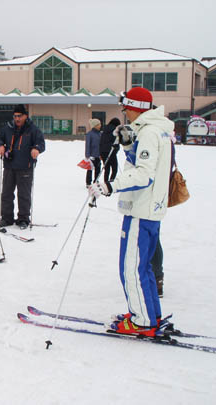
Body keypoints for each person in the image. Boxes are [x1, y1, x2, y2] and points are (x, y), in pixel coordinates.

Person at [88, 87, 173, 337]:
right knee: (143, 266)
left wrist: (110, 185)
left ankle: (143, 321)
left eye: (126, 108)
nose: (124, 112)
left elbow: (144, 174)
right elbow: (143, 163)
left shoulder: (149, 132)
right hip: (148, 208)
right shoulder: (156, 129)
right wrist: (127, 146)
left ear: (136, 106)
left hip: (142, 209)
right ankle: (149, 313)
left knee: (132, 267)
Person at [0, 104, 45, 229]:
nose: (17, 119)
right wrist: (0, 145)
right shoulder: (8, 128)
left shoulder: (33, 129)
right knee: (6, 193)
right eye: (15, 116)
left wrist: (36, 149)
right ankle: (6, 218)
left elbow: (41, 143)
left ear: (25, 116)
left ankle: (23, 218)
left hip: (25, 166)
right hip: (9, 166)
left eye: (20, 116)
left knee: (24, 194)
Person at [99, 117, 121, 183]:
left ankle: (106, 181)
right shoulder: (115, 131)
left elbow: (101, 141)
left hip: (103, 151)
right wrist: (116, 149)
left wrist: (100, 152)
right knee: (114, 168)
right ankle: (111, 181)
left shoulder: (104, 130)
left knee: (107, 168)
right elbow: (116, 141)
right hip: (111, 151)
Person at [85, 118, 101, 187]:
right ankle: (88, 182)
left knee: (98, 169)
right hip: (91, 155)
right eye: (98, 124)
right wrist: (87, 155)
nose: (100, 125)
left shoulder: (100, 134)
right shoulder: (89, 134)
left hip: (98, 155)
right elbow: (87, 145)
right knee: (90, 169)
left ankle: (96, 181)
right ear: (95, 125)